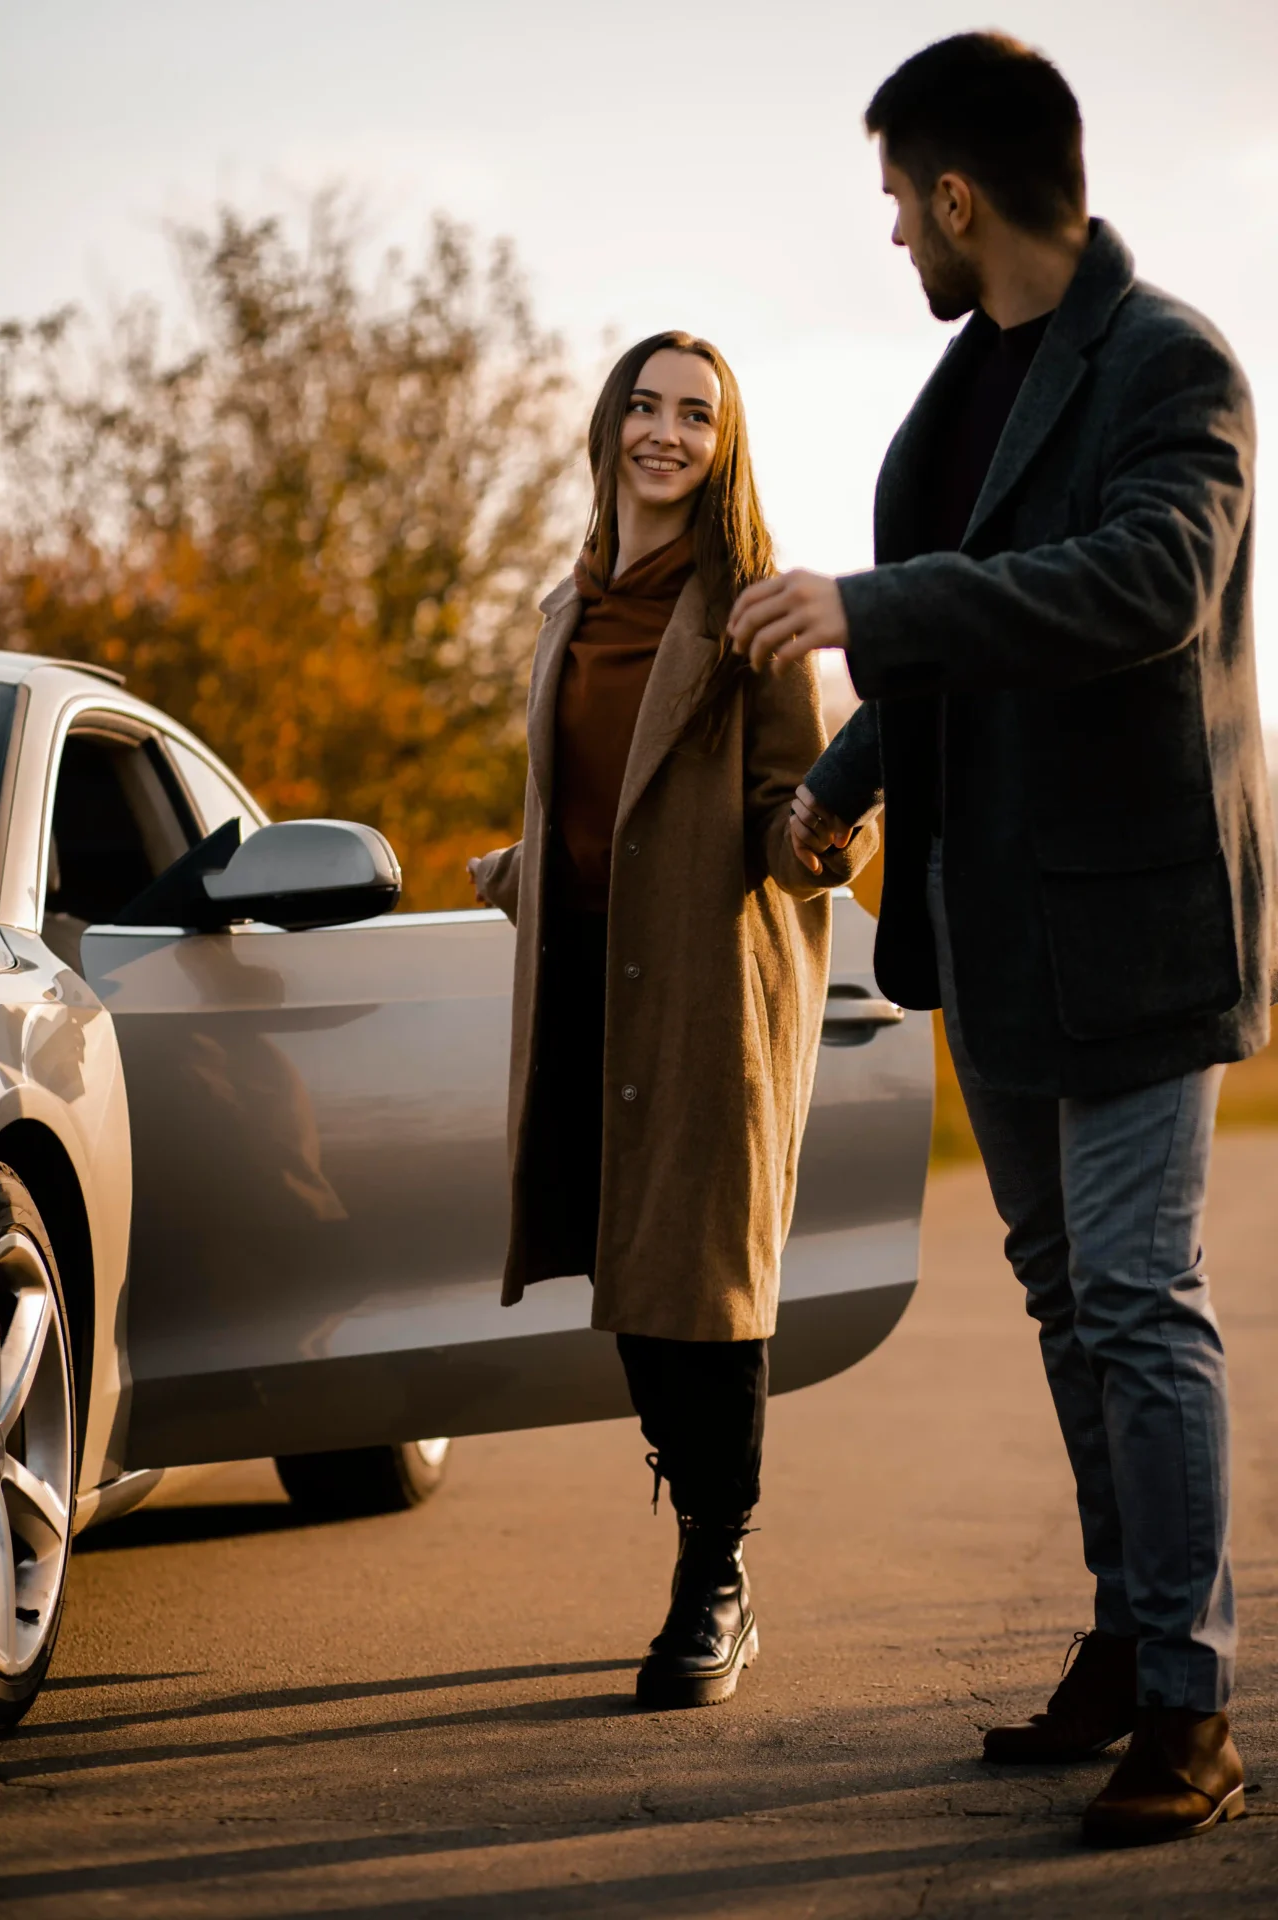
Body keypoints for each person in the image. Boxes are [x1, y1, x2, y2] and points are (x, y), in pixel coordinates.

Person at [729, 32, 1271, 1847]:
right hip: (990, 923)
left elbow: (1145, 584)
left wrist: (864, 605)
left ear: (959, 194)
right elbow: (957, 655)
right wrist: (847, 785)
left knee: (1137, 1295)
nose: (893, 238)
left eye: (897, 201)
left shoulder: (1171, 363)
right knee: (1065, 1302)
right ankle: (1128, 1643)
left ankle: (1195, 1704)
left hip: (1133, 928)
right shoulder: (960, 394)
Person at [469, 331, 873, 1710]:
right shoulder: (563, 610)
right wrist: (513, 870)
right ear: (606, 430)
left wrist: (827, 835)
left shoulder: (752, 612)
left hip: (707, 994)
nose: (662, 431)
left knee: (702, 1290)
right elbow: (593, 804)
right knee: (628, 1279)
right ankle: (706, 1530)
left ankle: (717, 1576)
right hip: (583, 984)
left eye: (692, 416)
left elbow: (779, 812)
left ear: (722, 447)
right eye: (642, 406)